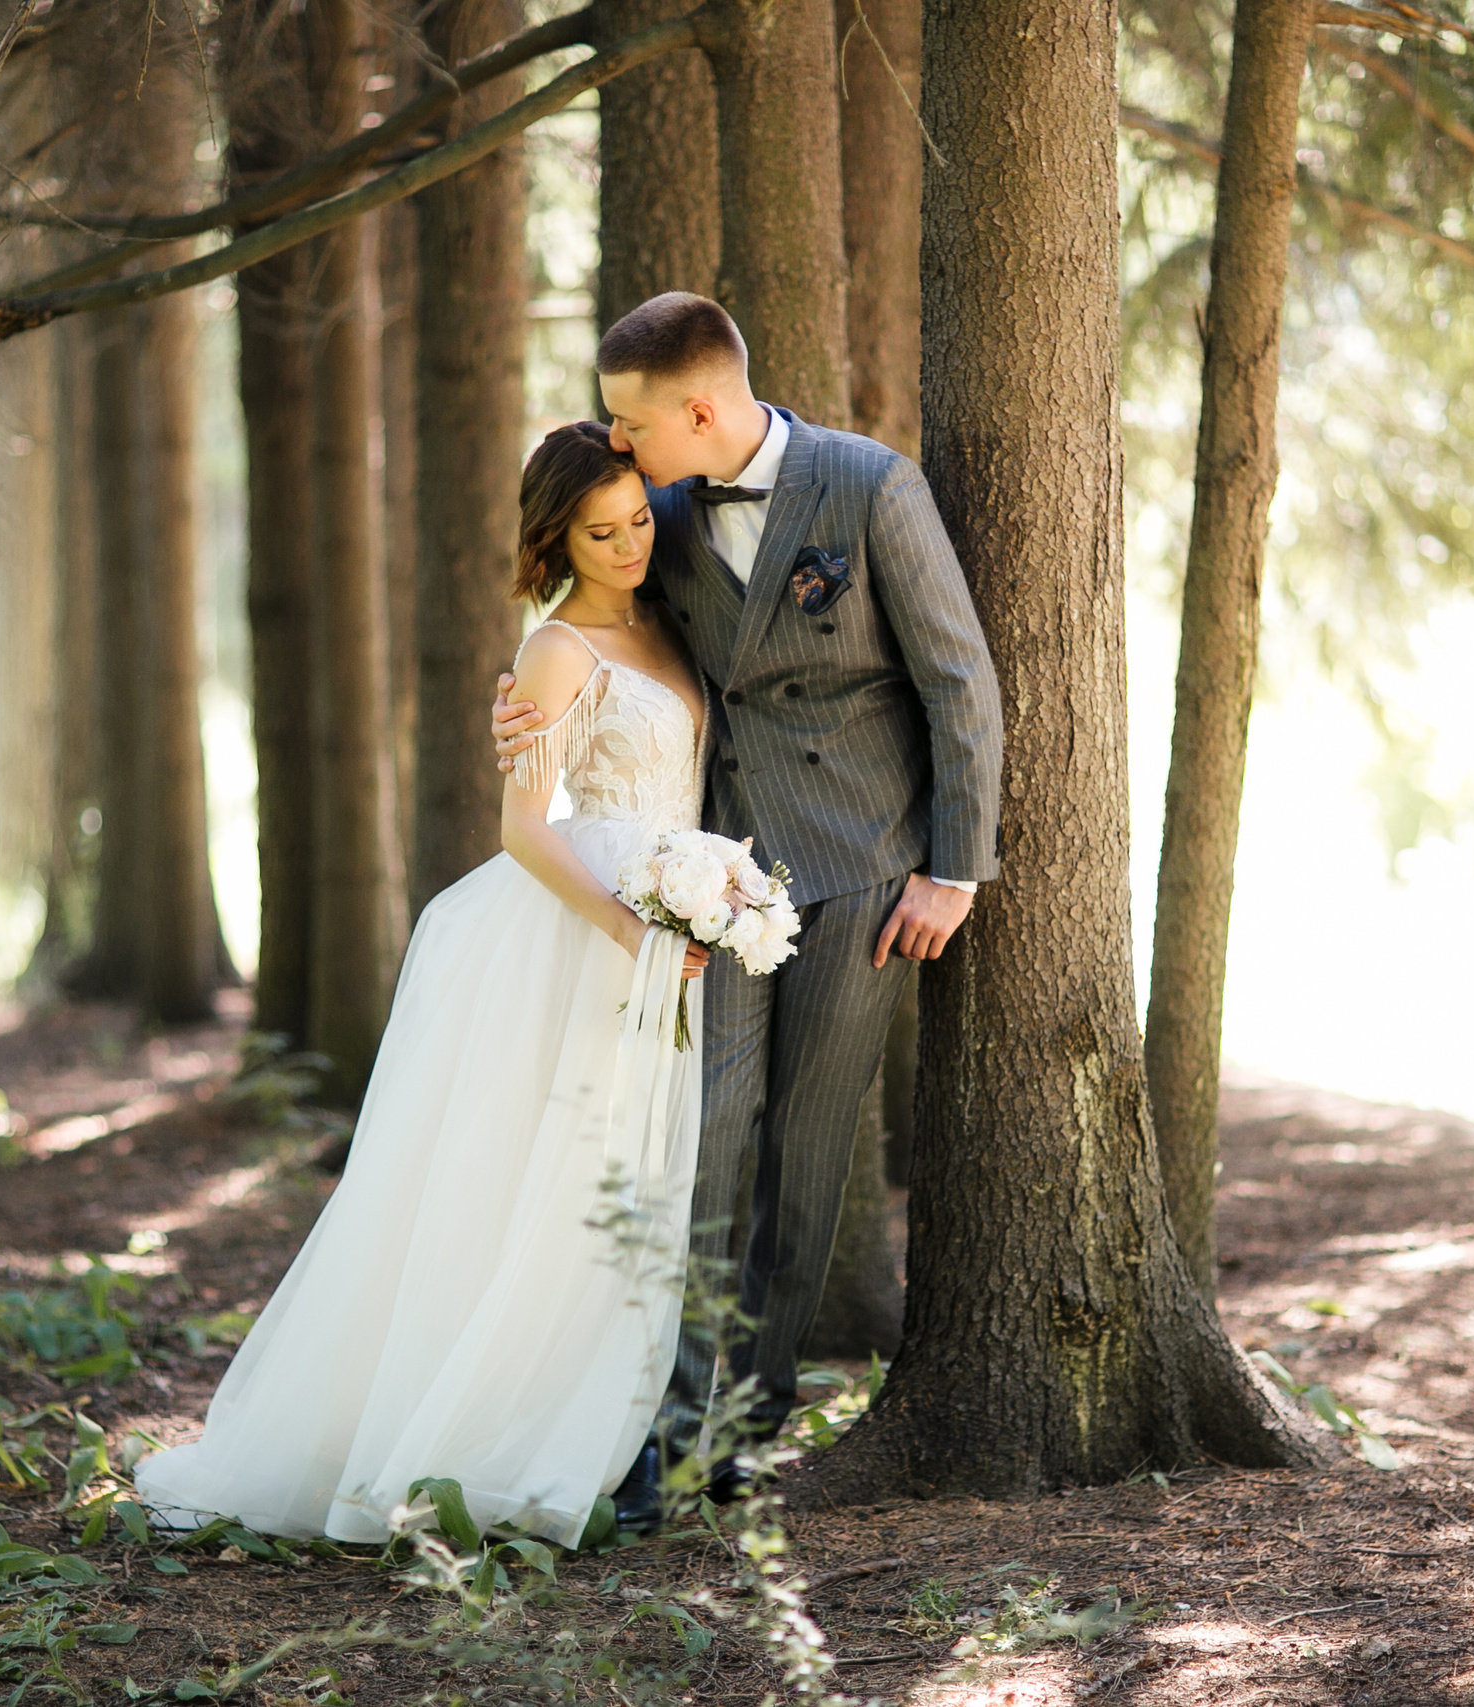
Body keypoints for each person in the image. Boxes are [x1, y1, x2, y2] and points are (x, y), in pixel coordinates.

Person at [134, 423, 714, 1547]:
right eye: (602, 532)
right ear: (557, 538)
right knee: (546, 1186)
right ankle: (490, 1442)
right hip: (580, 932)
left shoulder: (665, 613)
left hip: (665, 920)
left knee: (623, 1183)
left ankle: (594, 1433)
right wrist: (630, 931)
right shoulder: (555, 652)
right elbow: (520, 828)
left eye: (641, 519)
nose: (630, 543)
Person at [492, 293, 1004, 1528]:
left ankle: (745, 1424)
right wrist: (523, 704)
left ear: (701, 410)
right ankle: (660, 1436)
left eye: (629, 421)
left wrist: (953, 868)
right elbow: (600, 621)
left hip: (868, 873)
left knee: (808, 1142)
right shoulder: (652, 513)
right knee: (707, 1136)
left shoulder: (871, 487)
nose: (618, 443)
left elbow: (958, 680)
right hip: (714, 880)